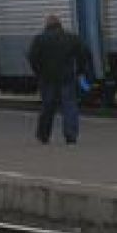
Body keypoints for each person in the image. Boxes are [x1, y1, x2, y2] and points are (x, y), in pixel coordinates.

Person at [27, 15, 91, 145]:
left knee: (47, 107)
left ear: (47, 25)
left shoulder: (40, 39)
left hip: (47, 79)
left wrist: (38, 72)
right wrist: (80, 70)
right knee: (69, 106)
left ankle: (43, 135)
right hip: (66, 78)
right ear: (60, 25)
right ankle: (71, 135)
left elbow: (33, 58)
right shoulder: (71, 38)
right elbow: (85, 53)